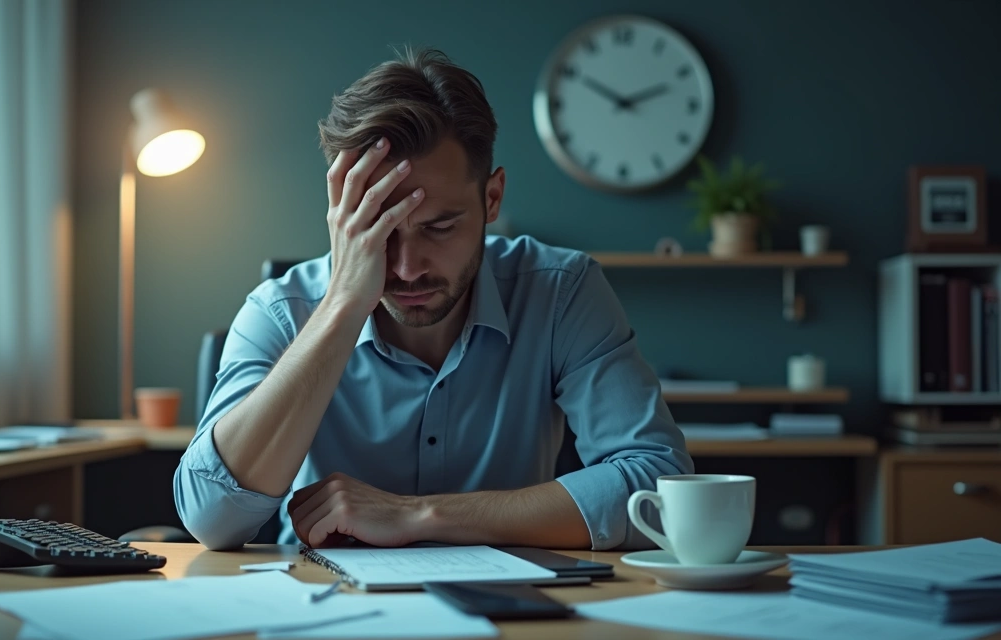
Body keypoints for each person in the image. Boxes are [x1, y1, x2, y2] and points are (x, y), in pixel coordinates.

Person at [174, 47, 693, 551]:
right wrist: (342, 306)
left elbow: (658, 486)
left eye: (439, 227)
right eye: (381, 230)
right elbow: (211, 518)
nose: (406, 267)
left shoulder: (561, 290)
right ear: (342, 219)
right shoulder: (281, 310)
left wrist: (419, 515)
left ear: (492, 199)